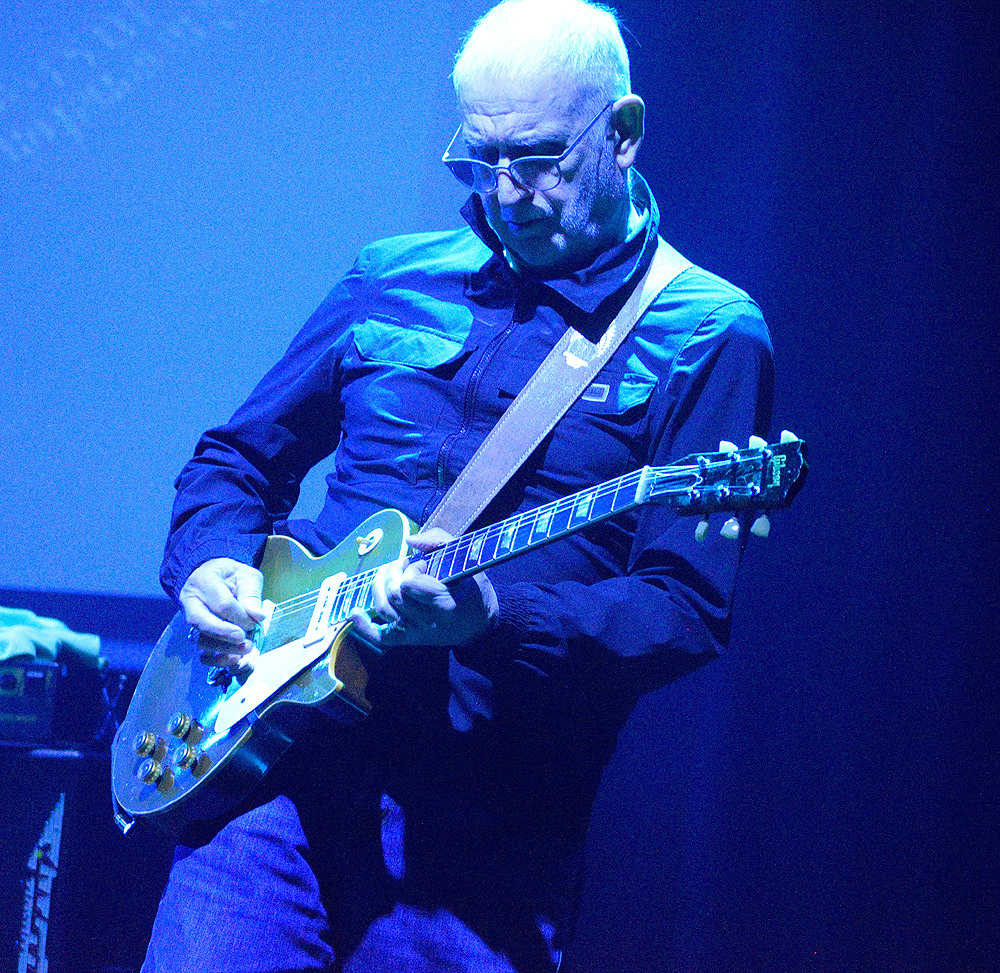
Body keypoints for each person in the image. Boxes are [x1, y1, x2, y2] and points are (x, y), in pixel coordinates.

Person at [141, 1, 774, 970]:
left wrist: (492, 618)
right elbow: (236, 459)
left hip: (486, 838)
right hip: (277, 769)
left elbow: (683, 610)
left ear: (623, 131)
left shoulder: (707, 333)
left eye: (540, 158)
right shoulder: (390, 275)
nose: (508, 193)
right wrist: (212, 560)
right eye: (482, 158)